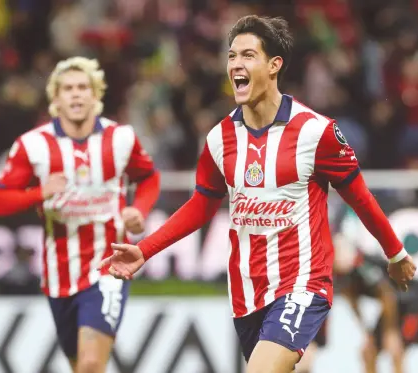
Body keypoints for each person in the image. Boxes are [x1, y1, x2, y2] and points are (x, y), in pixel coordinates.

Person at [99, 15, 416, 373]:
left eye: (248, 55)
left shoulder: (316, 132)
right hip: (247, 292)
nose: (236, 64)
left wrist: (395, 253)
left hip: (303, 283)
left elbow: (360, 197)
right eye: (232, 56)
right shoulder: (220, 138)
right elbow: (201, 206)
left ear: (274, 65)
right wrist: (144, 249)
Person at [0, 57, 160, 373]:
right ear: (55, 98)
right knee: (79, 364)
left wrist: (140, 210)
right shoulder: (33, 145)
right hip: (59, 273)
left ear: (96, 95)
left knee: (92, 364)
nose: (76, 94)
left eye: (83, 87)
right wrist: (40, 192)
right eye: (68, 88)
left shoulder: (120, 138)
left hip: (109, 266)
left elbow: (149, 177)